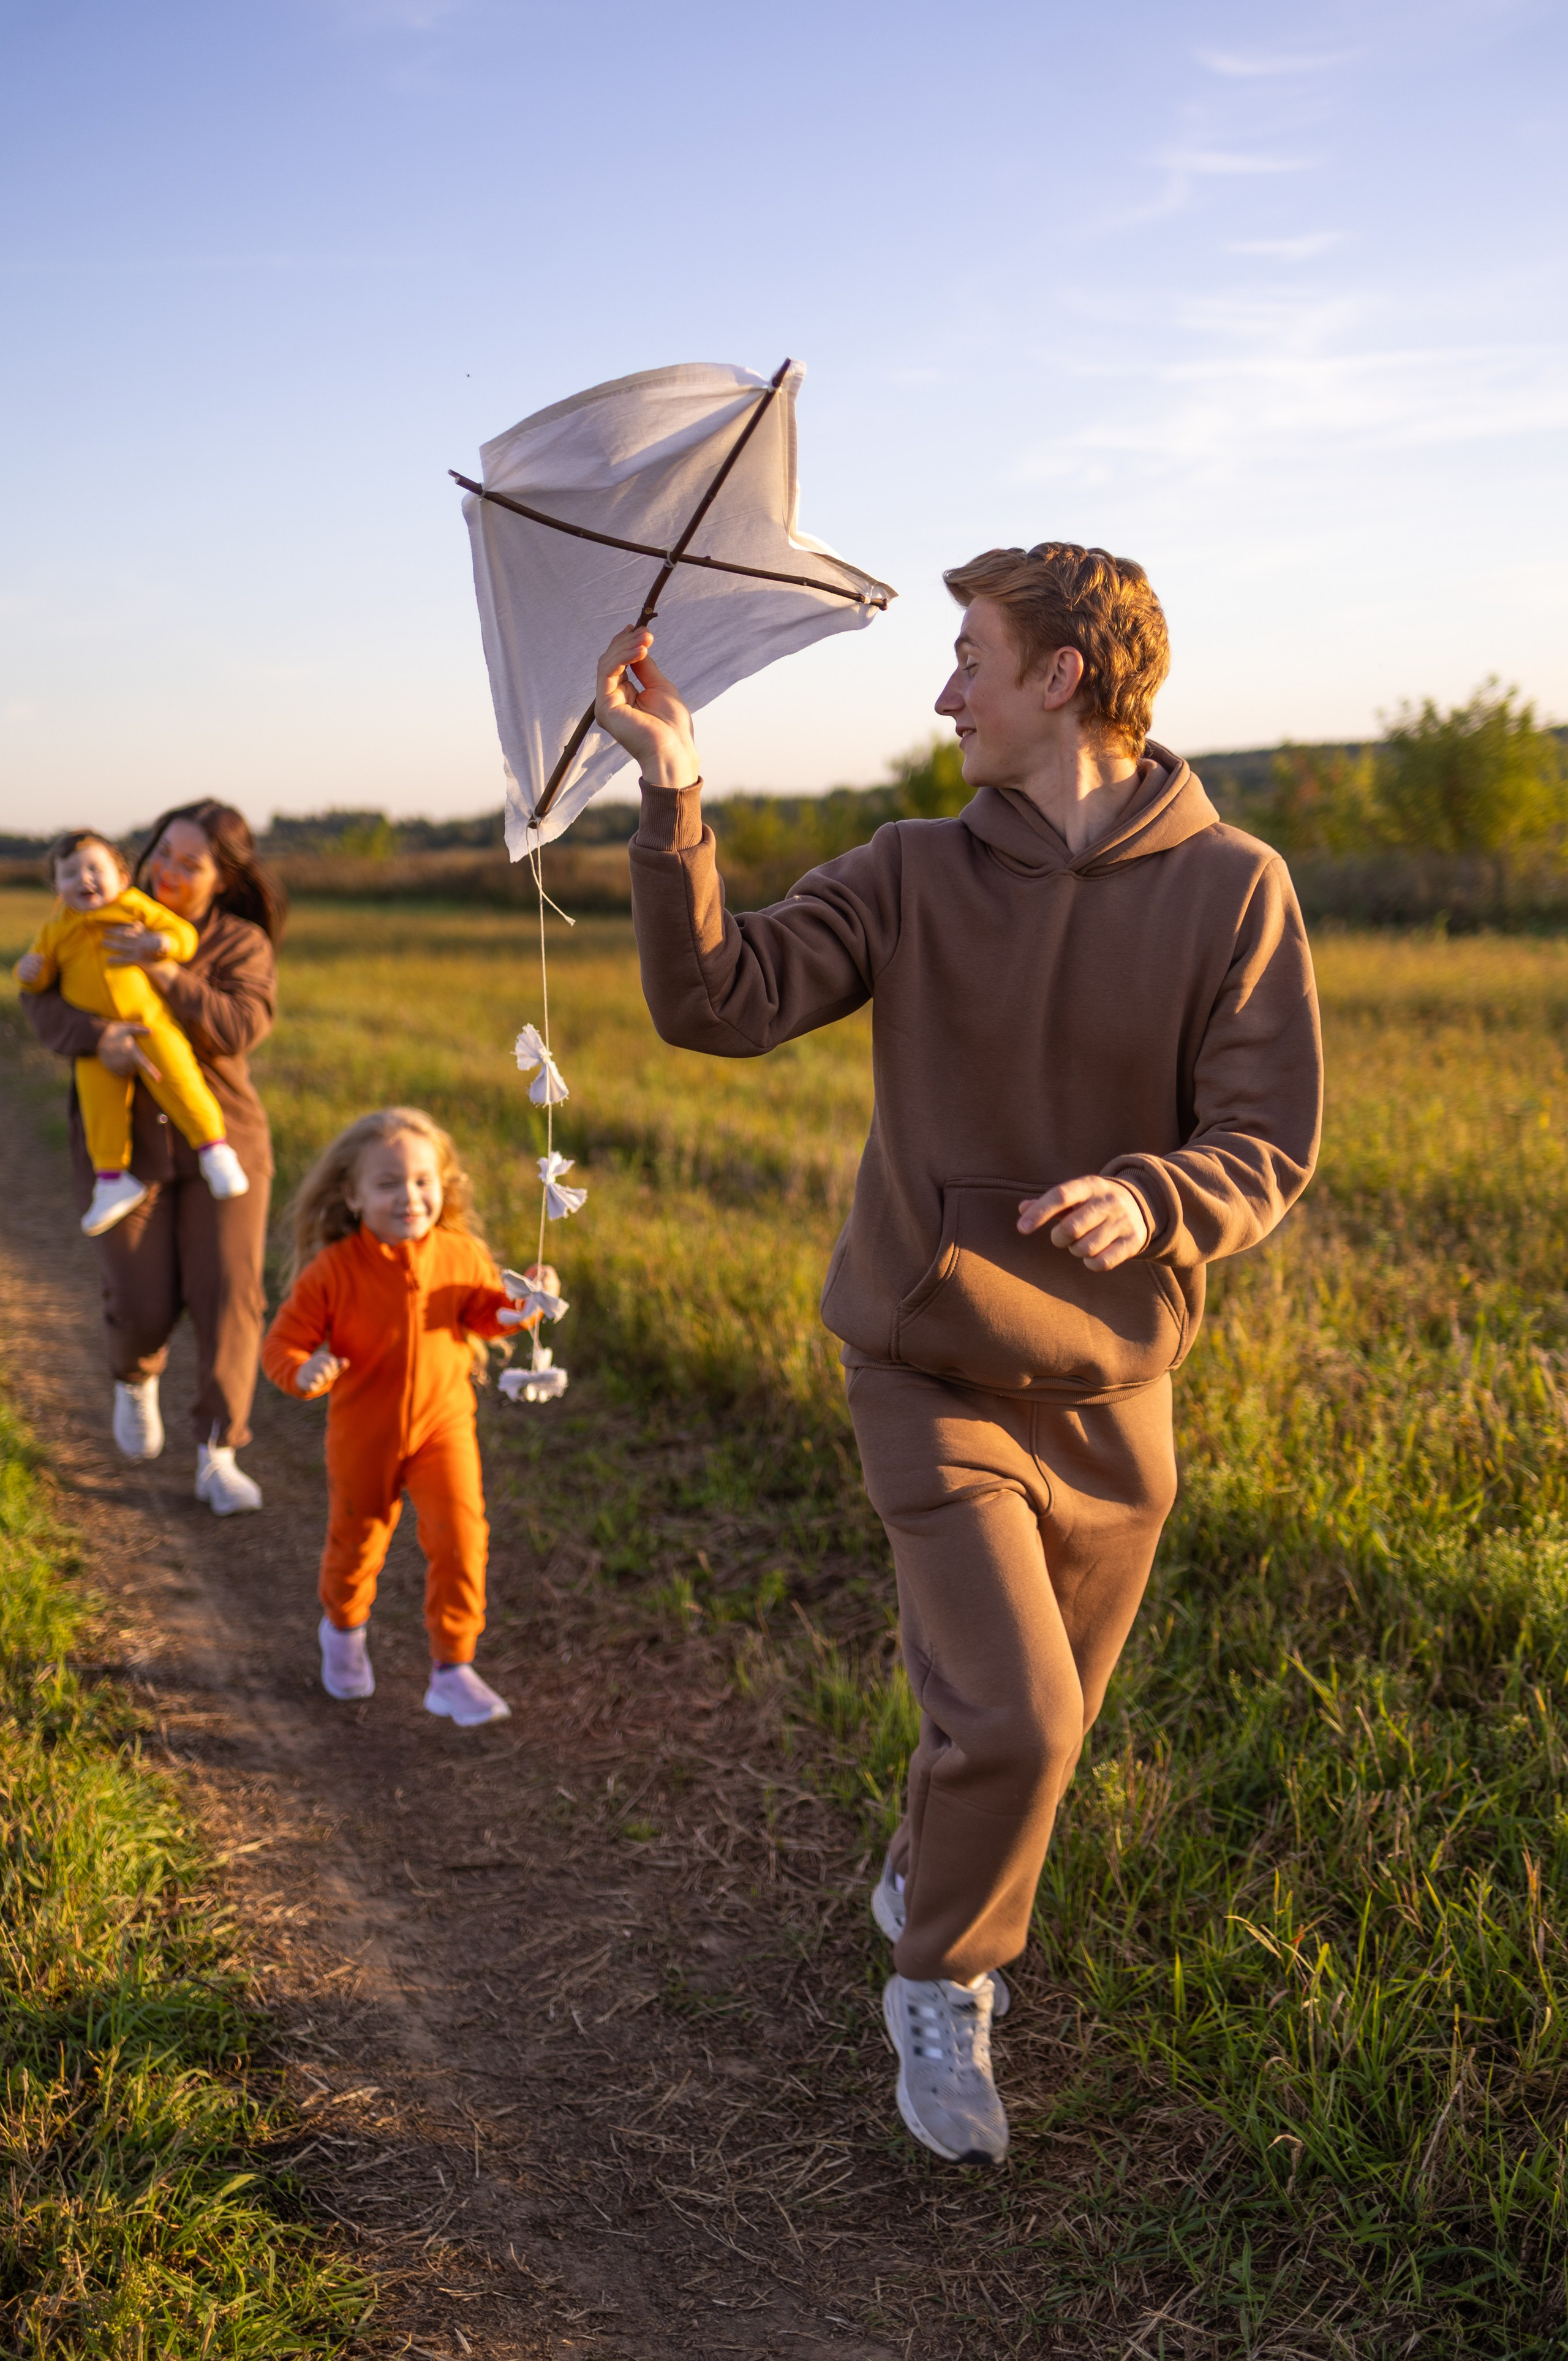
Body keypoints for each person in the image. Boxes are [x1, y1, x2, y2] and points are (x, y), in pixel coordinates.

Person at [598, 542, 1323, 2166]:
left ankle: (932, 1871)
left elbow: (1267, 1136)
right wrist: (675, 792)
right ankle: (944, 1977)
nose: (945, 695)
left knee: (1022, 1715)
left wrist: (1158, 1196)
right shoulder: (911, 869)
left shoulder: (1235, 887)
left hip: (1117, 1388)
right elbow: (718, 999)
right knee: (1023, 1727)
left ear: (1062, 674)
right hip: (927, 1356)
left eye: (969, 659)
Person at [21, 799, 282, 1515]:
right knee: (138, 1298)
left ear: (222, 880)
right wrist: (90, 1035)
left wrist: (163, 971)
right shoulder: (96, 911)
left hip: (221, 1140)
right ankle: (135, 1378)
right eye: (162, 851)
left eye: (189, 863)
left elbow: (238, 1027)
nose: (166, 870)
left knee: (229, 1294)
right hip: (121, 1145)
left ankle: (217, 1453)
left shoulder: (239, 943)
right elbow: (40, 998)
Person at [261, 1106, 542, 1728]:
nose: (410, 1196)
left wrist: (525, 1303)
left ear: (444, 1185)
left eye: (423, 1180)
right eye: (388, 1183)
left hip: (444, 1427)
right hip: (365, 1437)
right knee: (357, 1543)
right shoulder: (332, 1272)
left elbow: (483, 1314)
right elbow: (281, 1346)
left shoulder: (460, 1252)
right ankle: (343, 1629)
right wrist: (303, 1370)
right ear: (352, 1196)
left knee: (461, 1537)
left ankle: (452, 1668)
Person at [15, 829, 251, 1237]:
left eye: (95, 869)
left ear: (122, 878)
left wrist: (162, 943)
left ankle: (214, 1148)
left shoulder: (135, 907)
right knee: (99, 1104)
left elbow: (184, 936)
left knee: (179, 1080)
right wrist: (29, 974)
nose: (85, 879)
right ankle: (111, 1179)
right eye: (71, 874)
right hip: (98, 1045)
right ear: (56, 888)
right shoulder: (56, 930)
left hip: (149, 1025)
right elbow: (41, 978)